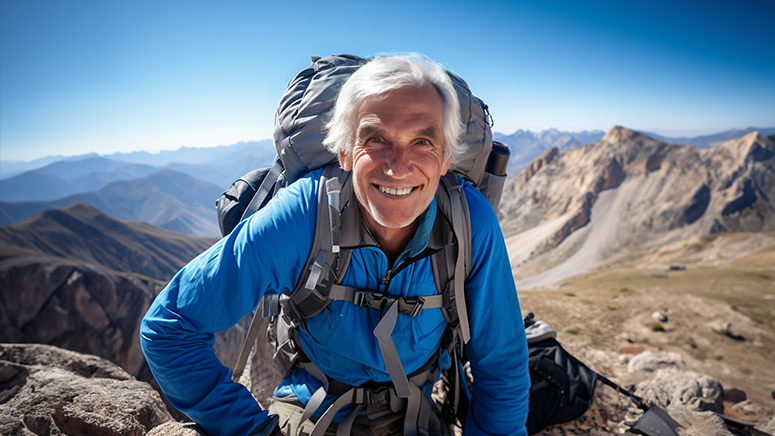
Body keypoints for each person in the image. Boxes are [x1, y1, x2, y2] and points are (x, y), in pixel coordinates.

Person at [140, 54, 530, 436]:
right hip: (310, 411)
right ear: (344, 151)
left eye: (423, 142)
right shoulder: (304, 215)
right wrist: (250, 429)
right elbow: (170, 327)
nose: (398, 166)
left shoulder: (468, 220)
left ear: (446, 157)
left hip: (418, 412)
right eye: (375, 139)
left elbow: (502, 364)